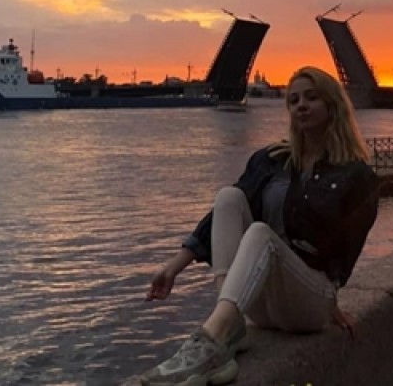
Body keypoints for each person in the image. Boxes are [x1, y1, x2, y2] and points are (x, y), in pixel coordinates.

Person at [139, 66, 380, 385]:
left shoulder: (356, 176)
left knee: (259, 233)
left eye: (312, 97)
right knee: (228, 197)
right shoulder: (271, 160)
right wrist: (173, 267)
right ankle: (227, 330)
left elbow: (347, 250)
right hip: (264, 301)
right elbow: (219, 218)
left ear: (333, 104)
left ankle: (211, 340)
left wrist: (331, 298)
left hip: (309, 302)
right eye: (294, 100)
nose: (301, 106)